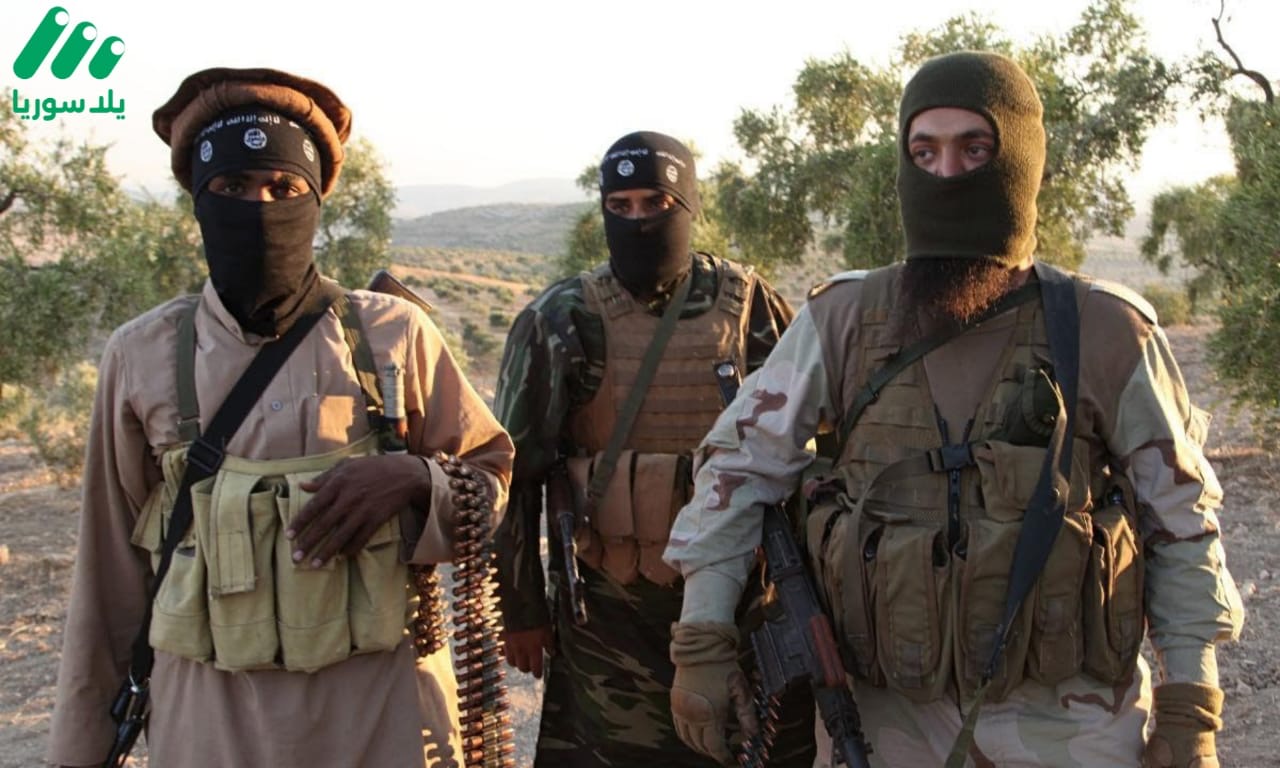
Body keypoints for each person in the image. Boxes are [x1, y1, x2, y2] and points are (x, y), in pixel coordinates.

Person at [664, 51, 1245, 768]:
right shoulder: (847, 318)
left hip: (1068, 722)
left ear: (1021, 163)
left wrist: (1192, 704)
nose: (946, 174)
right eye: (924, 151)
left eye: (975, 149)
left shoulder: (1104, 329)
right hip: (884, 720)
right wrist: (702, 635)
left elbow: (1180, 519)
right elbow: (736, 471)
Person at [46, 67, 513, 768]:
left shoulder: (393, 334)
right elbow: (108, 571)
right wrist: (79, 748)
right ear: (199, 201)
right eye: (233, 187)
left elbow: (492, 478)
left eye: (283, 188)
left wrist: (418, 479)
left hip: (384, 712)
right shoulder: (142, 353)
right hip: (208, 720)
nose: (259, 207)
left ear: (315, 200)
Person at [492, 131, 812, 767]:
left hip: (743, 607)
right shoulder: (563, 317)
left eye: (656, 203)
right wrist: (521, 609)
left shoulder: (751, 308)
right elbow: (516, 473)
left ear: (687, 204)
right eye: (621, 206)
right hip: (610, 616)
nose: (638, 220)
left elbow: (802, 456)